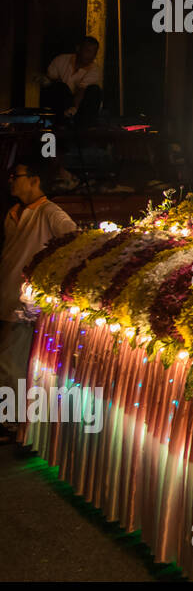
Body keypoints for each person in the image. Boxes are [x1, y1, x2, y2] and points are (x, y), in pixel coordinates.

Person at [1, 160, 77, 442]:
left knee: (9, 362)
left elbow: (72, 242)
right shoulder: (12, 213)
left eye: (16, 176)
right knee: (11, 362)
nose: (11, 181)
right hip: (7, 297)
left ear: (35, 180)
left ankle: (12, 425)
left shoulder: (50, 213)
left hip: (24, 305)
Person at [41, 37, 103, 127]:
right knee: (60, 87)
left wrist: (73, 108)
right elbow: (50, 81)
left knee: (94, 90)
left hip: (82, 109)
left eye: (94, 52)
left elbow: (82, 90)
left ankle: (86, 126)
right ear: (78, 49)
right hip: (60, 105)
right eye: (88, 51)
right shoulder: (61, 60)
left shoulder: (95, 70)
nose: (91, 56)